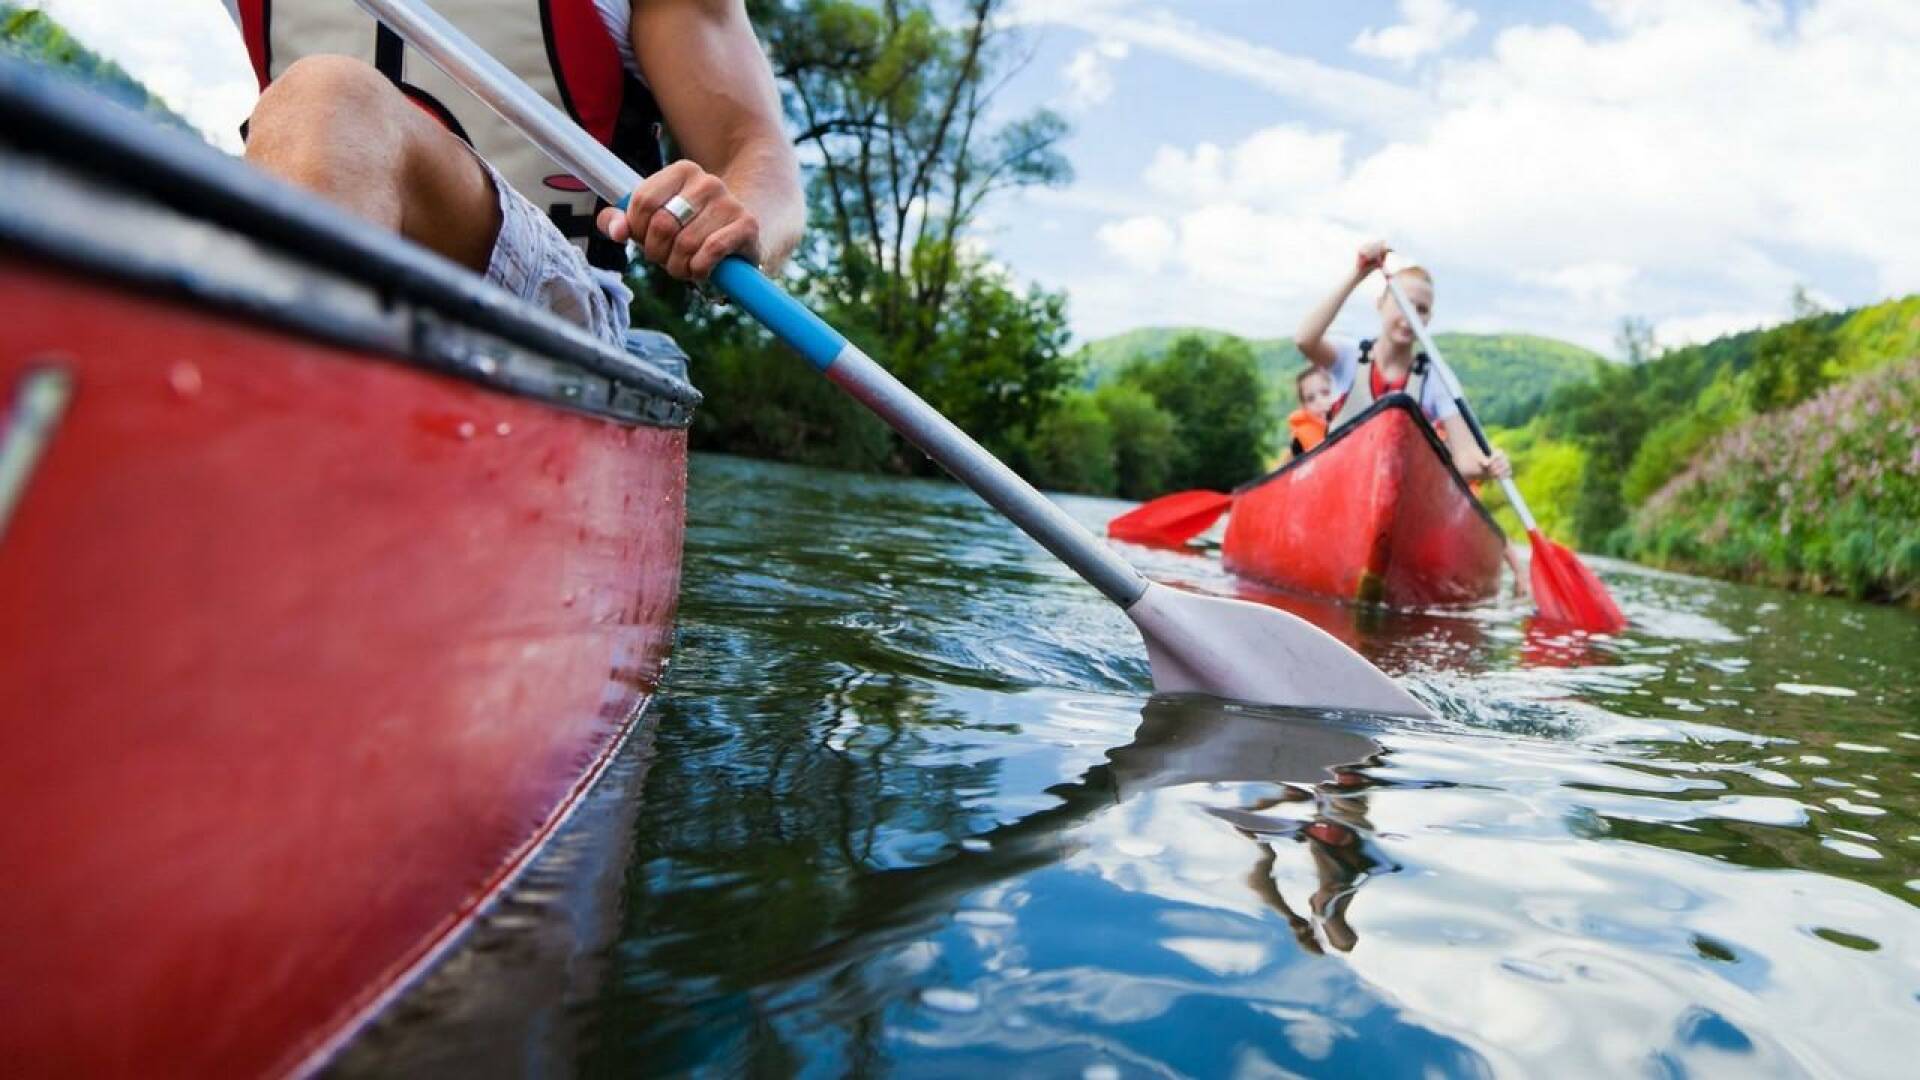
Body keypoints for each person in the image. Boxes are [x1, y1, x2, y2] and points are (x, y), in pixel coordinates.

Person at [219, 0, 804, 348]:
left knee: (330, 100)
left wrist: (732, 220)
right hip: (290, 245)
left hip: (556, 299)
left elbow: (757, 155)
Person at [1296, 240, 1529, 596]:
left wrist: (1489, 464)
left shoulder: (1435, 377)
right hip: (1339, 496)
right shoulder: (1349, 356)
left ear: (1428, 319)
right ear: (1381, 304)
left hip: (1401, 513)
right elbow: (1305, 339)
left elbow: (1466, 461)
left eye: (1421, 310)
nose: (1410, 316)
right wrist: (1358, 273)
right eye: (1402, 304)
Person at [1287, 366, 1337, 458]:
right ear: (1303, 406)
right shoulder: (1299, 442)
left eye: (1325, 393)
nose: (1320, 402)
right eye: (1311, 399)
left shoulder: (1348, 414)